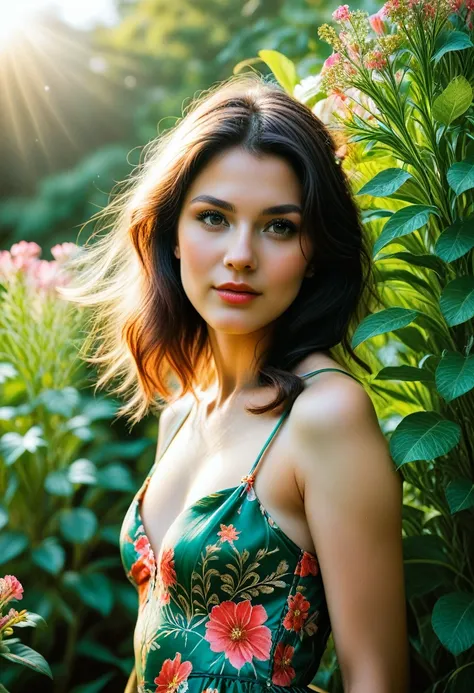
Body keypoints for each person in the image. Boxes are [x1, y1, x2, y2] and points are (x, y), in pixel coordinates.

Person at [61, 73, 408, 693]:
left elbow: (376, 676)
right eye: (213, 217)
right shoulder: (181, 414)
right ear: (170, 232)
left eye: (279, 226)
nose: (241, 254)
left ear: (314, 250)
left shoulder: (325, 415)